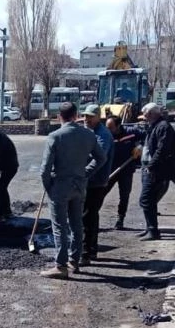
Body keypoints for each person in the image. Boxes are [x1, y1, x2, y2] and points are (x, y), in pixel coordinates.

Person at [39, 102, 106, 279]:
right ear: (76, 116)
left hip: (60, 186)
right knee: (77, 224)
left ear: (59, 116)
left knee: (60, 226)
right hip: (79, 186)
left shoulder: (55, 136)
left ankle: (60, 266)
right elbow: (101, 158)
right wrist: (86, 173)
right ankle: (74, 261)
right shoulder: (88, 135)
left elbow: (45, 169)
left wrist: (48, 187)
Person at [80, 104, 114, 266]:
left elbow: (98, 157)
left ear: (98, 117)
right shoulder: (89, 131)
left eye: (90, 117)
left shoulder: (103, 135)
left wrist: (84, 172)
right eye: (85, 116)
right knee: (91, 215)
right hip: (89, 180)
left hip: (96, 181)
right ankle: (91, 249)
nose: (86, 119)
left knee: (88, 215)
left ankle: (86, 253)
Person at [138, 103, 175, 240]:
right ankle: (149, 228)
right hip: (148, 167)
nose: (145, 118)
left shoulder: (163, 127)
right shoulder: (154, 126)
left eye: (146, 115)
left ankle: (153, 231)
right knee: (149, 200)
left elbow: (162, 150)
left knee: (146, 199)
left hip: (154, 170)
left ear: (152, 114)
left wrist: (151, 166)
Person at [104, 116, 146, 230]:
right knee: (101, 193)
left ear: (118, 126)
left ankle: (120, 218)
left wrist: (140, 146)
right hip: (111, 169)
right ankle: (91, 219)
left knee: (124, 195)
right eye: (107, 127)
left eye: (111, 127)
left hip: (126, 169)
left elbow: (148, 136)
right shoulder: (106, 135)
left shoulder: (131, 132)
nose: (108, 130)